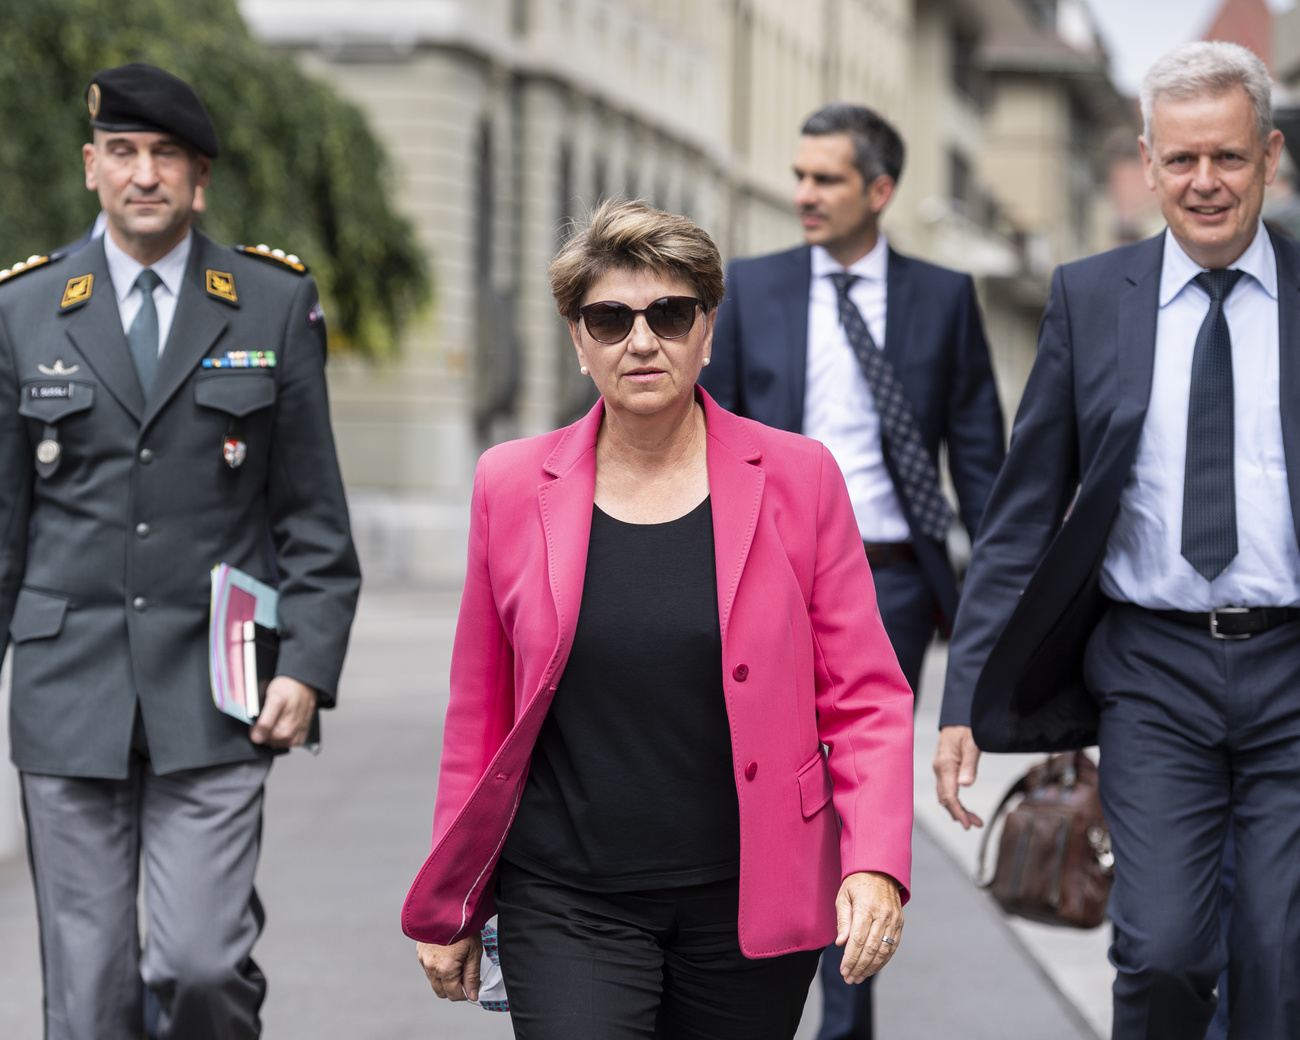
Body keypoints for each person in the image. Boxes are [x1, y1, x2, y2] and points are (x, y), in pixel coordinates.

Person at [403, 199, 915, 1039]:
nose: (641, 341)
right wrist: (452, 895)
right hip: (566, 895)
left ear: (707, 331)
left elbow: (865, 698)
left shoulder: (800, 477)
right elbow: (478, 715)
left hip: (748, 897)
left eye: (670, 315)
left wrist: (874, 863)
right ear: (579, 342)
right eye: (610, 319)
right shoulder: (509, 484)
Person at [934, 42, 1300, 1039]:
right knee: (1163, 952)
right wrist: (964, 696)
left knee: (1278, 960)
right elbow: (1020, 516)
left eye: (1227, 157)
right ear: (1146, 162)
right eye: (1180, 159)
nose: (1204, 181)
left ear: (1269, 158)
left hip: (1291, 670)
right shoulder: (1089, 300)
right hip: (1152, 673)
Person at [0, 64, 361, 1040]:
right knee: (88, 999)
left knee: (198, 964)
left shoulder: (270, 302)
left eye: (166, 155)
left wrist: (307, 669)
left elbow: (313, 517)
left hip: (219, 691)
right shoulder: (23, 309)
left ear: (200, 178)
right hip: (67, 692)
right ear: (91, 167)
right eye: (122, 152)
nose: (144, 173)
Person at [699, 102, 1004, 1040]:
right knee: (771, 785)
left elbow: (980, 461)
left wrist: (1004, 607)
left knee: (852, 786)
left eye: (825, 179)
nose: (804, 193)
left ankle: (843, 1019)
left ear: (879, 190)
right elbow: (709, 436)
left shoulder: (944, 298)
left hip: (893, 577)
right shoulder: (751, 288)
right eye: (799, 175)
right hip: (764, 574)